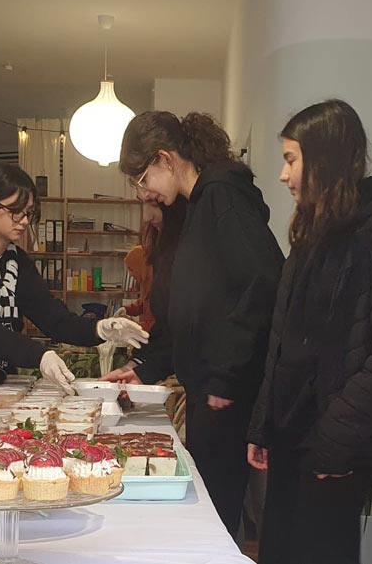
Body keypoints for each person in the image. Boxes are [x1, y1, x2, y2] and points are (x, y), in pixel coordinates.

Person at [246, 99, 372, 564]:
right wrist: (264, 423)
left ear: (324, 161)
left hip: (334, 445)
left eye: (291, 160)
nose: (283, 175)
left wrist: (334, 442)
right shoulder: (312, 233)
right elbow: (284, 343)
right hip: (293, 437)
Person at [117, 111, 284, 538]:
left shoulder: (222, 198)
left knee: (215, 515)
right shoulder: (195, 208)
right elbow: (190, 311)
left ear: (166, 158)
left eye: (143, 179)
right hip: (210, 387)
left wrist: (227, 375)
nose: (145, 194)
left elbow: (263, 282)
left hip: (226, 393)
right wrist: (146, 367)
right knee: (206, 508)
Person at [0, 162, 148, 437]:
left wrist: (101, 329)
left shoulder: (15, 261)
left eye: (29, 213)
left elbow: (54, 318)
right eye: (15, 211)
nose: (23, 221)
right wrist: (40, 355)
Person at [103, 193, 187, 384]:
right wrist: (134, 368)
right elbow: (166, 333)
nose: (146, 216)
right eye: (143, 205)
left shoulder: (193, 258)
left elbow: (187, 336)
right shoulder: (164, 255)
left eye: (154, 205)